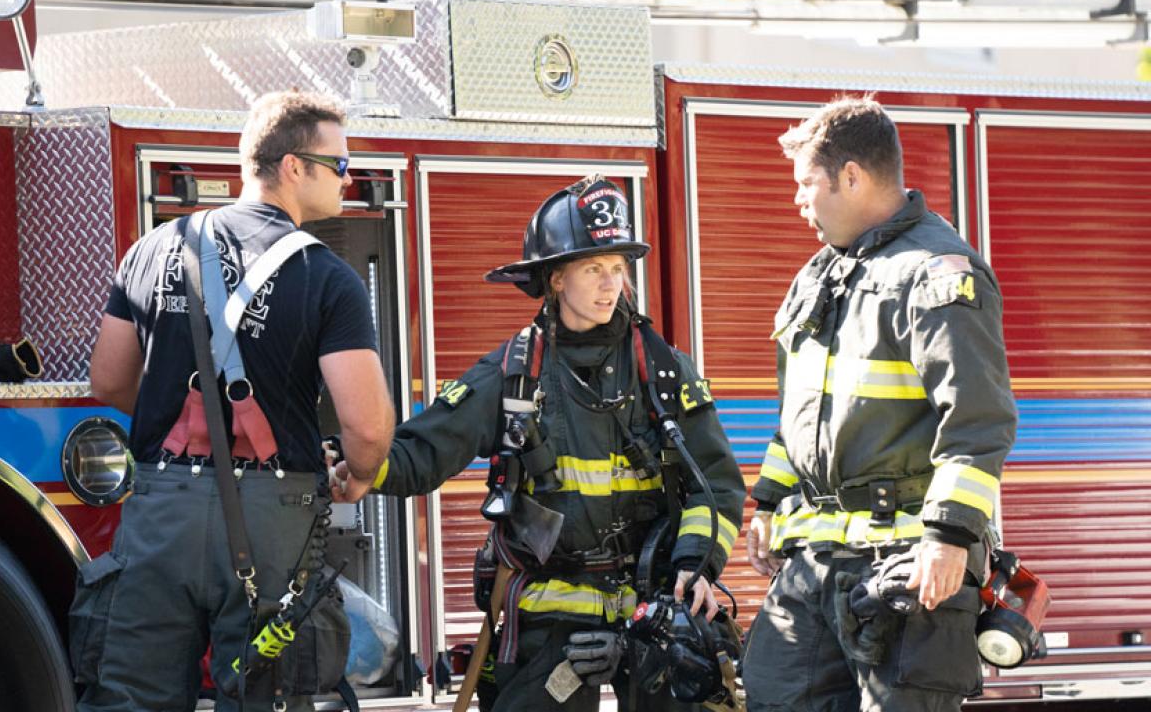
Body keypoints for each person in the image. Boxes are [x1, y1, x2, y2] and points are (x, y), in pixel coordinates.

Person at [333, 175, 747, 712]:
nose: (609, 285)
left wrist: (696, 566)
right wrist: (354, 463)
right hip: (552, 611)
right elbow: (423, 451)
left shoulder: (662, 370)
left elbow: (715, 484)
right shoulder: (514, 374)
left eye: (618, 268)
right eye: (593, 268)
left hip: (652, 607)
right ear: (556, 279)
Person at [77, 90, 395, 712]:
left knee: (129, 698)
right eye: (339, 165)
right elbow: (365, 425)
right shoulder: (328, 277)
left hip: (158, 514)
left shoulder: (152, 249)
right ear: (294, 167)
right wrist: (358, 476)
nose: (348, 179)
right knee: (265, 694)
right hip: (270, 521)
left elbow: (110, 380)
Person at [741, 96, 1017, 712]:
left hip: (909, 567)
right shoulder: (819, 276)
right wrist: (766, 502)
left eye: (806, 182)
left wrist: (948, 537)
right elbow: (801, 414)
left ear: (852, 177)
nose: (797, 199)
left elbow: (978, 418)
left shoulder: (937, 273)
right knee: (771, 698)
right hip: (815, 568)